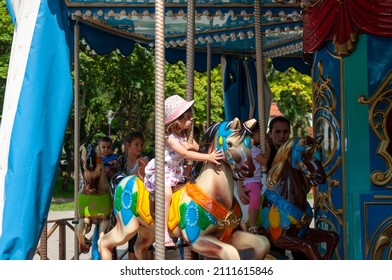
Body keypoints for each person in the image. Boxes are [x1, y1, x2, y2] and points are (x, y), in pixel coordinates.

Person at [144, 94, 224, 248]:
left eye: (190, 115)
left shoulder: (184, 136)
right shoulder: (168, 138)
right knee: (166, 194)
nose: (191, 119)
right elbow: (186, 154)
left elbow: (195, 147)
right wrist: (209, 157)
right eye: (187, 117)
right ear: (176, 120)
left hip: (177, 174)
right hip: (163, 173)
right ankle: (163, 232)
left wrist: (198, 147)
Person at [115, 131, 151, 260]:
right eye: (136, 144)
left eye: (141, 145)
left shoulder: (144, 161)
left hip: (139, 202)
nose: (139, 148)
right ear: (128, 145)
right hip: (124, 203)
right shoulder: (119, 161)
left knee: (143, 241)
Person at [237, 122, 270, 234]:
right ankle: (253, 225)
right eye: (259, 134)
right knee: (255, 199)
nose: (261, 137)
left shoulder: (245, 150)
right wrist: (268, 149)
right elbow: (264, 161)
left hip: (252, 180)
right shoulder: (253, 150)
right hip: (253, 181)